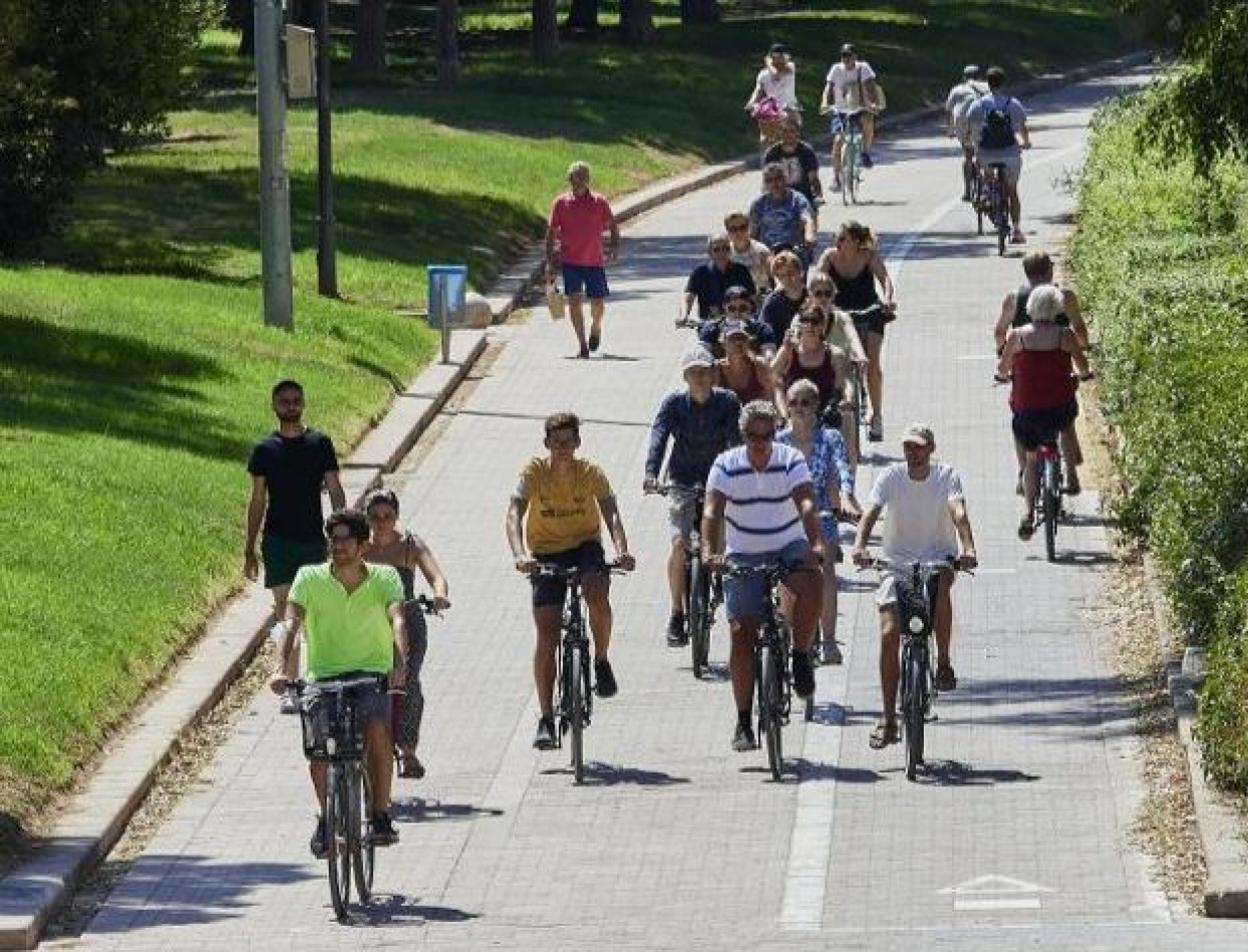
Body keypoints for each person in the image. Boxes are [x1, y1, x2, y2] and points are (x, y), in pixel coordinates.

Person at [270, 508, 407, 855]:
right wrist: (279, 669)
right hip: (323, 677)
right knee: (318, 749)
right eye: (333, 539)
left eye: (346, 539)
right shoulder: (309, 578)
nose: (338, 545)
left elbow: (398, 621)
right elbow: (290, 623)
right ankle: (326, 816)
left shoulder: (385, 577)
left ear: (363, 546)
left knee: (378, 729)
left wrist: (399, 662)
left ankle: (379, 814)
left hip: (370, 673)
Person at [506, 412, 636, 750]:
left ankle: (602, 659)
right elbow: (514, 513)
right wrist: (521, 554)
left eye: (569, 441)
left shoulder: (590, 472)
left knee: (597, 592)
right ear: (547, 443)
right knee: (547, 633)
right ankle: (546, 718)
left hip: (584, 547)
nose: (563, 448)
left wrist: (621, 550)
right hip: (546, 553)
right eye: (556, 442)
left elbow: (612, 512)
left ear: (578, 443)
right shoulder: (534, 471)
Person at [704, 400, 827, 752]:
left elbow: (805, 502)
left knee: (812, 579)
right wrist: (710, 552)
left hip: (787, 541)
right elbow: (712, 512)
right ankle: (743, 720)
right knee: (741, 633)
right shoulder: (725, 465)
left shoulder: (790, 459)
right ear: (742, 435)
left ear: (775, 433)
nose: (760, 442)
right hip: (743, 550)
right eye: (752, 436)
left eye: (767, 435)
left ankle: (801, 654)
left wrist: (816, 541)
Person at [851, 425, 978, 750]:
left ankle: (944, 663)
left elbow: (958, 511)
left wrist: (967, 548)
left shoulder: (946, 476)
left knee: (941, 588)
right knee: (888, 631)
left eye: (919, 447)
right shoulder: (891, 476)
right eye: (908, 447)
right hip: (896, 563)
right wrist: (861, 545)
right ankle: (888, 718)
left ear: (931, 448)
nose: (913, 453)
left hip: (937, 558)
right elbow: (871, 512)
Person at [245, 379, 347, 715]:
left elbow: (334, 489)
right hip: (277, 541)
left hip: (312, 541)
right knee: (286, 610)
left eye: (295, 400)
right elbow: (257, 498)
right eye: (284, 401)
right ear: (274, 406)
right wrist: (249, 546)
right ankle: (289, 683)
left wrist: (342, 534)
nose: (290, 405)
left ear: (303, 404)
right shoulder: (264, 450)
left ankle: (317, 676)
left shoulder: (320, 444)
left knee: (311, 612)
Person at [644, 348, 742, 646]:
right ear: (685, 376)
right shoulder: (674, 403)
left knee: (722, 524)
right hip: (682, 478)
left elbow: (736, 439)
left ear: (713, 373)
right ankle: (676, 612)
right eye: (693, 372)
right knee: (678, 544)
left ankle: (719, 570)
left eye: (705, 371)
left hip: (717, 477)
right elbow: (659, 435)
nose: (700, 377)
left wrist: (741, 473)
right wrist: (651, 472)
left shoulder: (727, 401)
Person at [363, 488, 451, 781]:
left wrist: (439, 595)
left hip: (408, 620)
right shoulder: (360, 548)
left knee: (408, 679)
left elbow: (436, 575)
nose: (381, 523)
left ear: (396, 516)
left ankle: (408, 750)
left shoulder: (410, 545)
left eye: (387, 516)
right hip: (369, 623)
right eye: (375, 517)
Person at [995, 285, 1094, 539]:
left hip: (1027, 412)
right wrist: (1084, 374)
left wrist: (1002, 375)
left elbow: (1003, 368)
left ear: (1030, 309)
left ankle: (1028, 512)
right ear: (1057, 308)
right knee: (1065, 423)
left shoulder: (1017, 336)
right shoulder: (1065, 335)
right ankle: (1068, 473)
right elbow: (1082, 366)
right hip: (1059, 409)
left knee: (1030, 460)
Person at [993, 251, 1090, 493]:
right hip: (1059, 367)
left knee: (1021, 420)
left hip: (1023, 372)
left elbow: (999, 332)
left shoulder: (1014, 297)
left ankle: (1024, 473)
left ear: (1026, 272)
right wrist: (1083, 348)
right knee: (1065, 420)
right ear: (1050, 270)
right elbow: (1079, 328)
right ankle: (1071, 475)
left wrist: (1002, 353)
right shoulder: (1064, 296)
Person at [777, 379, 859, 664]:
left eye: (806, 402)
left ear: (817, 406)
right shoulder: (779, 442)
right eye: (794, 403)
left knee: (825, 570)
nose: (799, 408)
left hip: (821, 512)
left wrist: (847, 497)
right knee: (781, 571)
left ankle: (828, 641)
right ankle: (784, 638)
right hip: (785, 515)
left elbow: (842, 467)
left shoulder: (830, 438)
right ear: (786, 408)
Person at [815, 221, 896, 441]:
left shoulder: (868, 255)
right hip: (839, 314)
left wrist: (887, 299)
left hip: (869, 311)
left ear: (856, 242)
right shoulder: (830, 257)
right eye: (836, 238)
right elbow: (816, 280)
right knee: (838, 360)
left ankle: (876, 416)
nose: (837, 243)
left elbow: (885, 279)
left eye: (842, 238)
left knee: (872, 363)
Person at [545, 161, 621, 358]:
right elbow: (551, 233)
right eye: (572, 179)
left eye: (580, 179)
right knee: (574, 302)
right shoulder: (561, 203)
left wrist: (614, 245)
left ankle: (596, 327)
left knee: (597, 303)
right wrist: (550, 260)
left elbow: (613, 225)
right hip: (570, 261)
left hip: (594, 261)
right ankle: (582, 345)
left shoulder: (599, 202)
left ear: (587, 181)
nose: (576, 184)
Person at [771, 304, 856, 459]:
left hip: (826, 412)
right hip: (794, 411)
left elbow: (846, 382)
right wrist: (784, 348)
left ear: (822, 326)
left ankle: (847, 473)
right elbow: (772, 373)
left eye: (815, 321)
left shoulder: (835, 354)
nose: (810, 326)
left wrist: (848, 400)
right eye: (805, 320)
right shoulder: (790, 351)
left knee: (847, 421)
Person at [966, 66, 1031, 245]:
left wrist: (974, 142)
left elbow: (972, 127)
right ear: (1004, 83)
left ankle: (988, 192)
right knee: (1012, 191)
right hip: (1010, 153)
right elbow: (1022, 127)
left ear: (987, 83)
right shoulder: (1013, 104)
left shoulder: (979, 104)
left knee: (987, 173)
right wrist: (1026, 142)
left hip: (986, 153)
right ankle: (1017, 230)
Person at [821, 43, 883, 186]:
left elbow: (871, 86)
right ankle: (836, 178)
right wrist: (825, 103)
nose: (845, 59)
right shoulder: (836, 69)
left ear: (855, 56)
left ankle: (865, 152)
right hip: (841, 110)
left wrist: (875, 103)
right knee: (837, 142)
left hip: (860, 107)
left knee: (868, 121)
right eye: (843, 55)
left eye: (848, 55)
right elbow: (828, 88)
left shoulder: (863, 68)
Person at [681, 233, 756, 325]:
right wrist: (684, 315)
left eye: (726, 248)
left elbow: (752, 298)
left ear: (730, 251)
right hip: (710, 324)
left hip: (738, 323)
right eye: (716, 250)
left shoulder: (741, 270)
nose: (721, 253)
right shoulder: (700, 272)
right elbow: (689, 297)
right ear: (709, 252)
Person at [749, 163, 817, 261]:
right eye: (769, 180)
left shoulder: (797, 199)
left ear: (785, 179)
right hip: (768, 254)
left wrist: (809, 236)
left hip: (794, 252)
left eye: (777, 178)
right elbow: (752, 232)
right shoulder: (758, 204)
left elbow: (807, 219)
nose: (774, 183)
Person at [945, 64, 990, 201]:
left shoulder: (957, 89)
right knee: (983, 153)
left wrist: (950, 129)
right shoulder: (987, 87)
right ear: (980, 76)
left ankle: (967, 191)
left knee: (968, 155)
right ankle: (985, 189)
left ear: (964, 77)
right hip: (981, 122)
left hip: (962, 124)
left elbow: (948, 110)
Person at [762, 117, 823, 215]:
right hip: (779, 196)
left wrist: (817, 196)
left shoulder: (807, 151)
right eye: (784, 131)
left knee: (810, 218)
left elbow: (813, 178)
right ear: (779, 133)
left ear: (797, 133)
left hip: (803, 195)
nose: (788, 134)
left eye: (792, 131)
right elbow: (767, 179)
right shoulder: (772, 153)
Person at [745, 43, 801, 142]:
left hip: (789, 108)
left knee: (791, 130)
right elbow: (758, 90)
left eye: (782, 57)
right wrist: (751, 103)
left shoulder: (790, 67)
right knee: (765, 139)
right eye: (776, 57)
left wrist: (768, 63)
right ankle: (766, 156)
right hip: (771, 109)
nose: (780, 60)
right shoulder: (763, 74)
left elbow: (776, 76)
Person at [716, 318, 775, 406]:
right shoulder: (716, 368)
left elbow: (770, 397)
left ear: (748, 342)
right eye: (733, 339)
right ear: (724, 344)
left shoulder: (759, 365)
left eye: (742, 338)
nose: (738, 343)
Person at [758, 249, 809, 350]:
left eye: (791, 273)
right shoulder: (772, 302)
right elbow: (764, 330)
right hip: (783, 350)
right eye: (781, 276)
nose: (787, 279)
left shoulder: (812, 296)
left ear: (801, 272)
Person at [724, 210, 773, 292]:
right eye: (733, 229)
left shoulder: (762, 251)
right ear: (728, 231)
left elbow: (773, 278)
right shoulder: (724, 253)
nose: (739, 232)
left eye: (743, 227)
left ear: (749, 227)